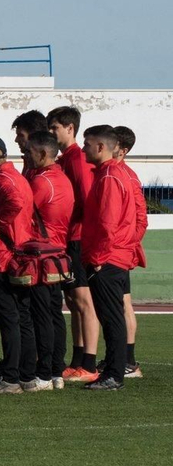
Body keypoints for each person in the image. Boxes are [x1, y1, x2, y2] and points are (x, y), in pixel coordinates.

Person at [0, 137, 38, 393]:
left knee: (9, 320)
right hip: (20, 255)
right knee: (23, 318)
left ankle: (10, 377)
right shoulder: (17, 178)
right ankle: (27, 376)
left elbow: (14, 204)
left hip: (2, 257)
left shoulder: (0, 180)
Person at [80, 125, 139, 391]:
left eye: (87, 144)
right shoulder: (115, 174)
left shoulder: (110, 177)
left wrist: (99, 259)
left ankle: (114, 374)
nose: (84, 149)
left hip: (107, 258)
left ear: (101, 147)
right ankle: (114, 371)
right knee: (112, 316)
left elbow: (107, 222)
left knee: (112, 317)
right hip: (114, 255)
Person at [48, 105, 100, 381]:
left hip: (78, 238)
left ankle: (90, 364)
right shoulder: (65, 159)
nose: (51, 132)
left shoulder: (78, 159)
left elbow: (87, 200)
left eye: (55, 127)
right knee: (72, 301)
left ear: (70, 128)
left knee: (83, 301)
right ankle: (78, 360)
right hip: (68, 238)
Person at [25, 131, 73, 390]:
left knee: (42, 315)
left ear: (43, 153)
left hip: (40, 255)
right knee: (55, 314)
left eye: (29, 152)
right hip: (57, 253)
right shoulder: (62, 179)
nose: (26, 156)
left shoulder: (41, 182)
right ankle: (55, 371)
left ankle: (43, 373)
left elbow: (22, 211)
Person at [113, 125, 147, 379]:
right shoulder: (115, 173)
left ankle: (129, 361)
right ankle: (121, 359)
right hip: (119, 250)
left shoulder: (127, 177)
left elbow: (141, 219)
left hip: (120, 251)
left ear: (122, 150)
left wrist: (126, 245)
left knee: (123, 303)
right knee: (120, 302)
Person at [11, 110, 47, 178]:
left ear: (34, 136)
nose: (16, 140)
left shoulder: (44, 173)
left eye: (21, 135)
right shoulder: (29, 164)